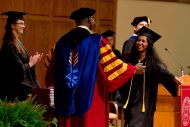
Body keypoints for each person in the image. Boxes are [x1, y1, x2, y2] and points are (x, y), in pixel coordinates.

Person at [54, 7, 145, 127]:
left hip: (66, 95)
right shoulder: (96, 41)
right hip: (91, 94)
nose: (94, 21)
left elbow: (53, 70)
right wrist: (133, 69)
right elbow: (111, 66)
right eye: (93, 18)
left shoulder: (62, 42)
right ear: (89, 20)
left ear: (76, 22)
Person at [119, 26, 182, 127]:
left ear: (149, 44)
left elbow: (163, 70)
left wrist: (173, 77)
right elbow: (122, 70)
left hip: (144, 102)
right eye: (138, 40)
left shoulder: (153, 62)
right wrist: (133, 69)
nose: (140, 43)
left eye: (143, 41)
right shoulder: (130, 58)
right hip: (130, 100)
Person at [0, 11, 43, 101]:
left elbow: (22, 64)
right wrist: (31, 63)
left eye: (24, 23)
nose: (24, 26)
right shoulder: (9, 45)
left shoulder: (18, 43)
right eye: (21, 23)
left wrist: (32, 60)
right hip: (12, 93)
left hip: (18, 91)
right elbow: (16, 71)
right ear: (12, 25)